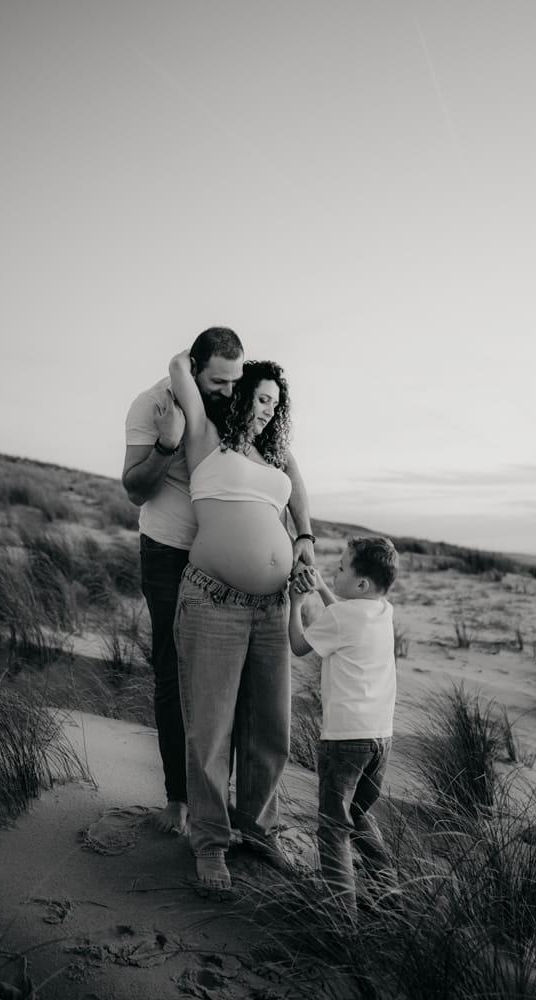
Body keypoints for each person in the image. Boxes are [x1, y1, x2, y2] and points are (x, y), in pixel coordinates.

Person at [122, 328, 314, 838]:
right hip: (173, 556)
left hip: (259, 595)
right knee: (179, 681)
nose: (231, 392)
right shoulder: (169, 411)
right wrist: (168, 438)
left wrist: (305, 534)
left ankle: (249, 821)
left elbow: (289, 468)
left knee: (258, 710)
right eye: (223, 381)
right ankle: (182, 802)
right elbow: (134, 488)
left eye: (239, 382)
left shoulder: (257, 437)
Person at [169, 349, 311, 899]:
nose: (266, 411)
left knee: (270, 727)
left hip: (274, 608)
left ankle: (258, 827)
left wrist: (304, 538)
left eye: (275, 404)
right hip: (213, 602)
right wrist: (218, 356)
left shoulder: (275, 458)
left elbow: (296, 483)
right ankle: (208, 840)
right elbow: (181, 367)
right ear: (239, 391)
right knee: (211, 729)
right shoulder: (205, 436)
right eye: (259, 397)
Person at [288, 536, 399, 919]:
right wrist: (320, 586)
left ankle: (342, 918)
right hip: (380, 738)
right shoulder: (382, 611)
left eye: (341, 568)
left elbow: (300, 646)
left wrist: (297, 601)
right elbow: (344, 620)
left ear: (362, 584)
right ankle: (390, 892)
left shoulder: (340, 618)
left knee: (333, 828)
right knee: (360, 815)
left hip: (345, 740)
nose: (335, 571)